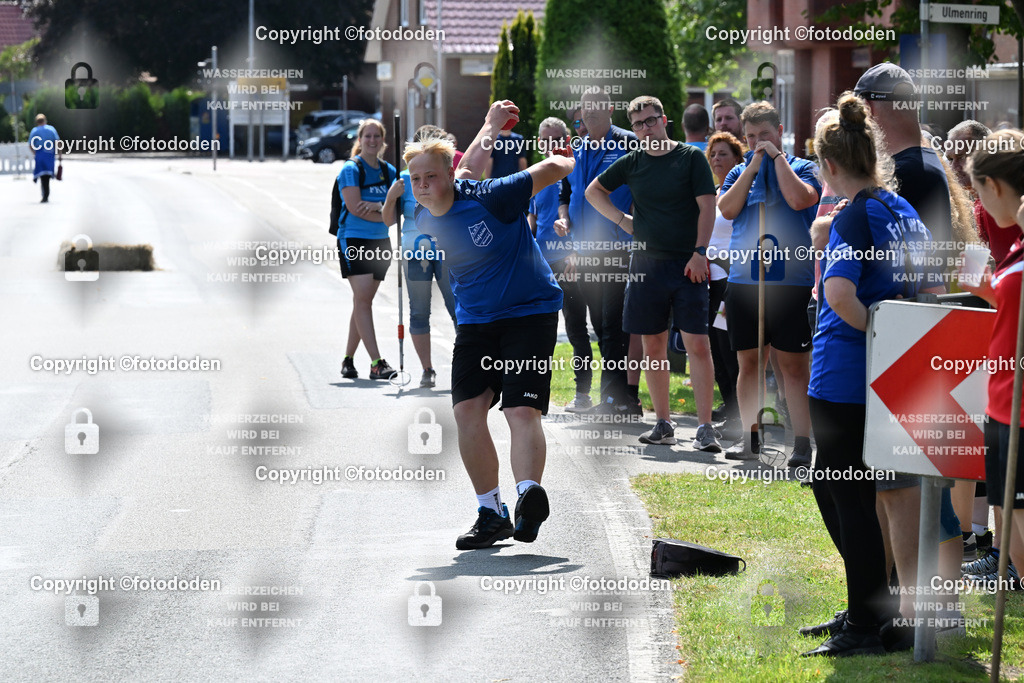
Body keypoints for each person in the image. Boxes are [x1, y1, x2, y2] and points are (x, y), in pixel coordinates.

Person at [801, 95, 945, 657]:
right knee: (854, 494)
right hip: (889, 377)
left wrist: (876, 342)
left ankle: (865, 617)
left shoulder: (855, 214)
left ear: (829, 165)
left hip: (844, 377)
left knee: (849, 498)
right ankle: (871, 604)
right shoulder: (901, 210)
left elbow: (838, 293)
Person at [397, 100, 574, 549]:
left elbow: (554, 167)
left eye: (430, 177)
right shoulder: (424, 214)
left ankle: (528, 493)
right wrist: (490, 124)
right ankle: (490, 512)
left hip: (530, 312)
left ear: (448, 176)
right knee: (466, 411)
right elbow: (467, 164)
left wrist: (562, 152)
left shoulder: (496, 195)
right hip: (477, 321)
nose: (422, 186)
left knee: (520, 409)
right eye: (415, 179)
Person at [854, 63, 965, 625]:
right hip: (913, 334)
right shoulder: (916, 166)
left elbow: (916, 267)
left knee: (923, 486)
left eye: (862, 105)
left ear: (878, 107)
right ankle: (916, 601)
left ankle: (937, 608)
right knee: (907, 483)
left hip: (915, 337)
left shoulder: (913, 172)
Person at [586, 95, 720, 450]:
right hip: (645, 266)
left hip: (689, 264)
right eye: (638, 124)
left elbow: (708, 207)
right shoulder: (632, 162)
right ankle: (664, 423)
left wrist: (700, 253)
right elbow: (592, 191)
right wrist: (622, 221)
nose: (646, 128)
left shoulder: (690, 157)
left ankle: (705, 428)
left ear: (664, 120)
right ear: (633, 129)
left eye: (651, 120)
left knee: (697, 344)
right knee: (652, 347)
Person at [717, 101, 820, 465]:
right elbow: (727, 210)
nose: (758, 142)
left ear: (779, 132)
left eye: (764, 135)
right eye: (750, 138)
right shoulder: (739, 171)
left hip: (790, 282)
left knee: (793, 366)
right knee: (749, 364)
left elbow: (799, 199)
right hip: (745, 280)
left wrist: (776, 160)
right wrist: (754, 166)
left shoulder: (803, 168)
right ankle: (751, 438)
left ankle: (803, 443)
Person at [958, 129, 1024, 587]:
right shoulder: (1016, 244)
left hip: (1021, 408)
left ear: (994, 186)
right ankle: (1007, 567)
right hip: (1003, 404)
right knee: (1012, 518)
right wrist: (987, 288)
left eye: (978, 190)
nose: (977, 204)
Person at [555, 89, 642, 417]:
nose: (588, 114)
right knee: (600, 326)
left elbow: (642, 189)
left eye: (595, 108)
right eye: (584, 109)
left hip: (617, 249)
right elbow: (567, 192)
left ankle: (613, 400)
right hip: (583, 252)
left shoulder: (628, 143)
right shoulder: (577, 148)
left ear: (609, 109)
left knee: (612, 326)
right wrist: (563, 219)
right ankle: (619, 399)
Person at [381, 125, 458, 388]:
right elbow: (389, 221)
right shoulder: (405, 179)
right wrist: (391, 198)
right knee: (419, 312)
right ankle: (427, 369)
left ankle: (466, 364)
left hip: (447, 251)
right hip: (415, 254)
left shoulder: (447, 176)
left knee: (458, 307)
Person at [528, 117, 593, 411]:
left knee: (577, 327)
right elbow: (532, 221)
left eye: (557, 139)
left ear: (566, 140)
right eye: (546, 139)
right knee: (540, 333)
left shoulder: (574, 172)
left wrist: (574, 252)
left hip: (570, 262)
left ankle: (583, 395)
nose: (552, 144)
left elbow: (583, 215)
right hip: (541, 266)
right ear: (540, 142)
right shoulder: (534, 176)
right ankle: (537, 397)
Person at [336, 119, 399, 381]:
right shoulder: (351, 169)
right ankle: (376, 363)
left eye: (377, 136)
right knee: (362, 300)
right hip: (354, 240)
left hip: (380, 243)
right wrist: (383, 208)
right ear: (359, 139)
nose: (372, 140)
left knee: (362, 302)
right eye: (367, 136)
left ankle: (348, 360)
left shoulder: (389, 171)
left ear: (383, 141)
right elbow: (354, 207)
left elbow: (395, 216)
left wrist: (376, 208)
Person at [705, 132, 744, 438]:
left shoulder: (738, 193)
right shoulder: (711, 192)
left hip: (731, 281)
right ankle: (730, 408)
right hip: (708, 282)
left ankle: (739, 416)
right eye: (714, 154)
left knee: (727, 347)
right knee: (715, 349)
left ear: (737, 160)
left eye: (724, 154)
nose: (717, 159)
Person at [29, 114, 61, 203]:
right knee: (47, 175)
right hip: (49, 155)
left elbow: (30, 145)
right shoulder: (51, 129)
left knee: (42, 175)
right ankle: (46, 194)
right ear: (45, 120)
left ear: (37, 122)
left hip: (40, 155)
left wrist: (35, 153)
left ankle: (44, 194)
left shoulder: (34, 131)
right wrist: (60, 155)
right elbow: (58, 142)